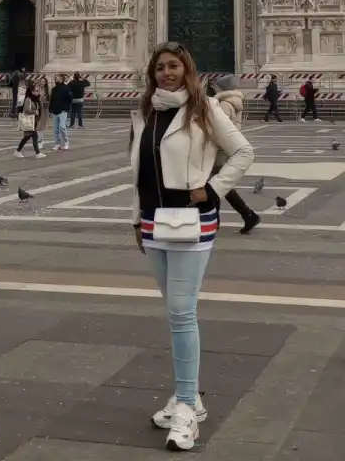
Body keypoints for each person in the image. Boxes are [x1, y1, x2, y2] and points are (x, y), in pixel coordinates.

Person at [131, 42, 253, 450]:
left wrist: (212, 190)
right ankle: (189, 398)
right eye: (160, 67)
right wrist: (136, 219)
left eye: (174, 66)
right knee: (175, 313)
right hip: (154, 222)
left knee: (182, 313)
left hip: (191, 223)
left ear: (188, 70)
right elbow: (141, 174)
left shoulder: (204, 109)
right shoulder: (149, 113)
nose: (167, 73)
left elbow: (242, 151)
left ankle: (186, 406)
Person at [213, 75, 260, 234]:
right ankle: (246, 215)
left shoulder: (225, 104)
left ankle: (247, 215)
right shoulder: (233, 101)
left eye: (217, 87)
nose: (215, 89)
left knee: (216, 184)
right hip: (227, 147)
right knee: (219, 184)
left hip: (220, 148)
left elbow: (220, 128)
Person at [15, 81, 45, 158]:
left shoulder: (36, 99)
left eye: (38, 90)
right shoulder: (28, 99)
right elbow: (26, 110)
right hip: (29, 120)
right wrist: (35, 111)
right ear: (32, 91)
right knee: (34, 135)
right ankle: (37, 153)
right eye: (36, 91)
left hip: (33, 121)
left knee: (26, 137)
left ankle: (18, 151)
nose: (38, 92)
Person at [49, 74, 72, 151]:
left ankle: (66, 142)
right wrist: (50, 110)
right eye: (55, 78)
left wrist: (66, 107)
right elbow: (51, 100)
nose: (56, 79)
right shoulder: (54, 89)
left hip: (62, 110)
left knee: (62, 126)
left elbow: (70, 98)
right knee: (55, 129)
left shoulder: (66, 88)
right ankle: (57, 143)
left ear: (61, 79)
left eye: (57, 78)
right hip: (54, 110)